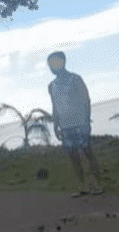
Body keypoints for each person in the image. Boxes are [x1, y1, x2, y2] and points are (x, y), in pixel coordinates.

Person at [47, 51, 103, 197]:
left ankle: (96, 184)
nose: (52, 67)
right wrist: (55, 125)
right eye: (50, 65)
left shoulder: (75, 79)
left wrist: (87, 120)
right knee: (73, 157)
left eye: (54, 63)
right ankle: (81, 186)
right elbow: (54, 106)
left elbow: (86, 100)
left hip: (80, 123)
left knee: (87, 153)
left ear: (63, 62)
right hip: (65, 126)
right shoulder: (51, 85)